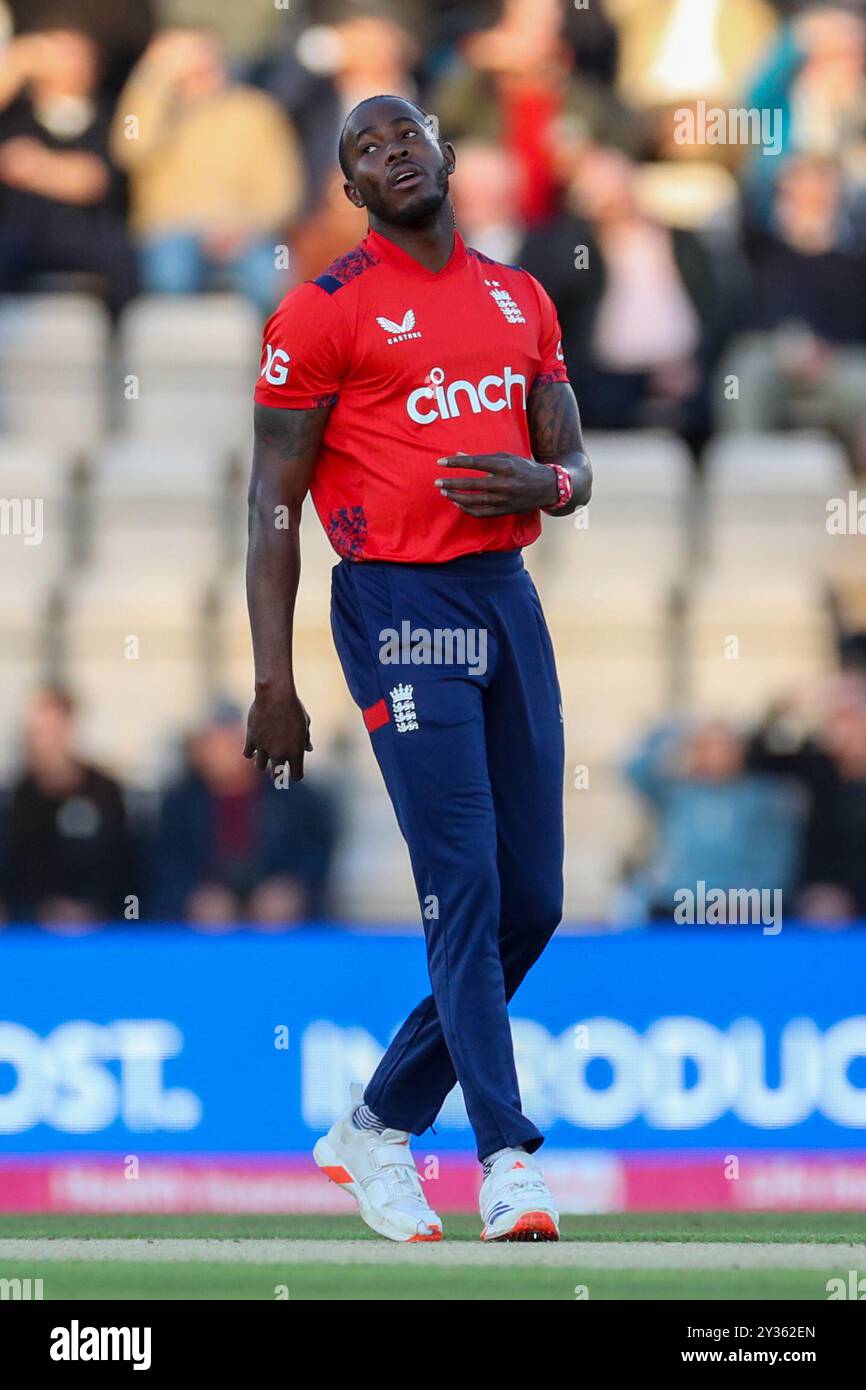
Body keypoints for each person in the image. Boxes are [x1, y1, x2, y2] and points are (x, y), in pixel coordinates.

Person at [245, 94, 591, 1243]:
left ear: (443, 152)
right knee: (467, 877)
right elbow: (270, 504)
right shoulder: (321, 312)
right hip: (397, 600)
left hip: (502, 596)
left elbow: (571, 458)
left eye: (405, 136)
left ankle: (376, 1122)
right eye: (364, 149)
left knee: (531, 896)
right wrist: (271, 680)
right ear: (350, 193)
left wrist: (548, 488)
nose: (391, 152)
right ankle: (505, 1156)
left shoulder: (519, 295)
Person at [111, 28, 304, 315]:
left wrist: (245, 225)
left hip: (246, 231)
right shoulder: (152, 106)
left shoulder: (258, 112)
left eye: (204, 56)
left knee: (274, 278)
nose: (197, 68)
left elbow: (284, 191)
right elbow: (129, 152)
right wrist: (153, 80)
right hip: (169, 231)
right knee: (170, 276)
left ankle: (275, 358)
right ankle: (176, 357)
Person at [154, 701, 338, 926]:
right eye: (214, 743)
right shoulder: (179, 802)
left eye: (231, 743)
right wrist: (191, 896)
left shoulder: (291, 795)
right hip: (205, 917)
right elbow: (166, 860)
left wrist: (292, 888)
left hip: (276, 913)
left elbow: (315, 848)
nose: (221, 753)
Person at [0, 28, 137, 316]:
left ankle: (116, 350)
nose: (68, 62)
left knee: (124, 259)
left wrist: (38, 167)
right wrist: (18, 61)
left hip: (89, 232)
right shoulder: (14, 113)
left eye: (77, 54)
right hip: (20, 232)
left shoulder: (118, 115)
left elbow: (102, 177)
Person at [624, 718, 803, 921]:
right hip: (676, 902)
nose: (716, 755)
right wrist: (677, 733)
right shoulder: (676, 792)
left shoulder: (762, 797)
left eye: (724, 747)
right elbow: (635, 769)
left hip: (740, 906)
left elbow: (777, 856)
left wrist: (755, 895)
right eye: (706, 746)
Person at [0, 686, 138, 926]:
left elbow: (122, 866)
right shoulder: (16, 798)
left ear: (69, 729)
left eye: (51, 731)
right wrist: (39, 910)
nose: (43, 742)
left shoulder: (104, 792)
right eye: (37, 733)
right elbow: (14, 871)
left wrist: (91, 909)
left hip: (100, 927)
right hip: (31, 930)